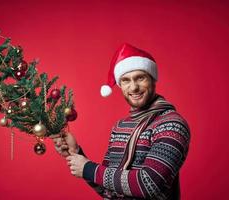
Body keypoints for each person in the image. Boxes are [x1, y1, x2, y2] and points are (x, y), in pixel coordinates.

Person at [50, 43, 190, 200]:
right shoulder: (120, 126)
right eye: (126, 80)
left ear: (152, 79)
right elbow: (108, 189)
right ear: (120, 85)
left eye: (140, 78)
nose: (134, 87)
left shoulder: (171, 124)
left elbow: (150, 184)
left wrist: (88, 169)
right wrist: (76, 152)